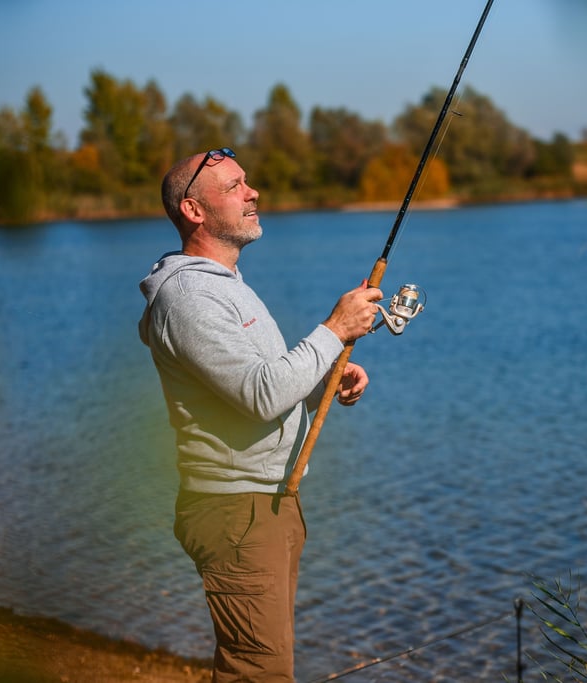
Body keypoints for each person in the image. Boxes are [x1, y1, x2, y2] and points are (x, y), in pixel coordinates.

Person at [138, 147, 382, 682]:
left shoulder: (223, 287)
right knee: (259, 673)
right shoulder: (188, 297)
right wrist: (334, 329)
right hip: (236, 511)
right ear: (194, 210)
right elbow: (261, 395)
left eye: (248, 182)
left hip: (266, 505)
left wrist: (323, 380)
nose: (252, 193)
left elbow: (256, 389)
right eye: (234, 187)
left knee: (264, 667)